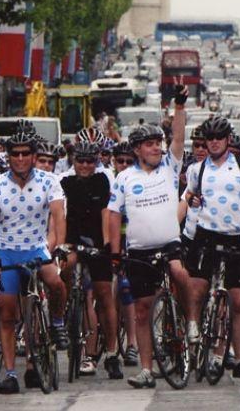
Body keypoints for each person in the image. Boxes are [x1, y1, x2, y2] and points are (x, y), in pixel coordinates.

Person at [107, 85, 190, 389]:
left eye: (159, 143)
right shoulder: (124, 178)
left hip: (170, 244)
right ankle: (145, 368)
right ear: (138, 149)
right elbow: (114, 216)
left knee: (181, 273)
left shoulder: (170, 166)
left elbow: (179, 138)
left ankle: (190, 323)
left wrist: (179, 107)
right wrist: (116, 253)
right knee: (142, 311)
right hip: (139, 251)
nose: (157, 148)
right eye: (151, 144)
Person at [0, 132, 68, 394]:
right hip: (7, 250)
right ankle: (10, 372)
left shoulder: (49, 181)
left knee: (55, 281)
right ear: (8, 157)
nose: (20, 159)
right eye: (15, 154)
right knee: (7, 312)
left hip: (35, 248)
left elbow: (58, 215)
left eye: (25, 154)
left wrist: (60, 245)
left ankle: (56, 323)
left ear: (33, 156)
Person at [183, 116, 240, 382]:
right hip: (206, 235)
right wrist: (192, 200)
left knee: (237, 302)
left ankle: (239, 360)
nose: (213, 143)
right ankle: (192, 325)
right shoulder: (197, 169)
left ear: (227, 140)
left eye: (218, 138)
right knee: (198, 289)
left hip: (236, 237)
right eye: (209, 139)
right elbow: (189, 195)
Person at [59, 141, 123, 379]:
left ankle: (112, 352)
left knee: (104, 295)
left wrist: (107, 246)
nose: (85, 166)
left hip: (97, 241)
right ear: (73, 161)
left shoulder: (103, 180)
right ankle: (64, 309)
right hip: (72, 239)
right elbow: (60, 215)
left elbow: (108, 213)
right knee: (65, 267)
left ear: (96, 162)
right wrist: (61, 244)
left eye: (90, 161)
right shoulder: (64, 182)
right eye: (80, 161)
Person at [110, 140, 139, 367]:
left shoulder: (138, 180)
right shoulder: (108, 180)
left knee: (127, 290)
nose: (124, 165)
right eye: (120, 161)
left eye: (129, 161)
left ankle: (132, 344)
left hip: (133, 240)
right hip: (111, 240)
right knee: (106, 292)